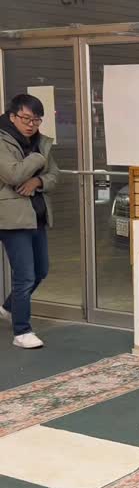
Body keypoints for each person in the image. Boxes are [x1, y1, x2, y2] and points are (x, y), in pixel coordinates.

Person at [0, 93, 59, 350]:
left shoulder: (41, 142)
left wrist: (39, 181)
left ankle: (9, 308)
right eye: (26, 118)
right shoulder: (2, 140)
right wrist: (37, 158)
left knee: (41, 271)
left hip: (38, 214)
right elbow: (13, 174)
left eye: (37, 119)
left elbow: (56, 175)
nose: (32, 124)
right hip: (12, 218)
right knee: (24, 275)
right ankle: (22, 331)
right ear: (12, 116)